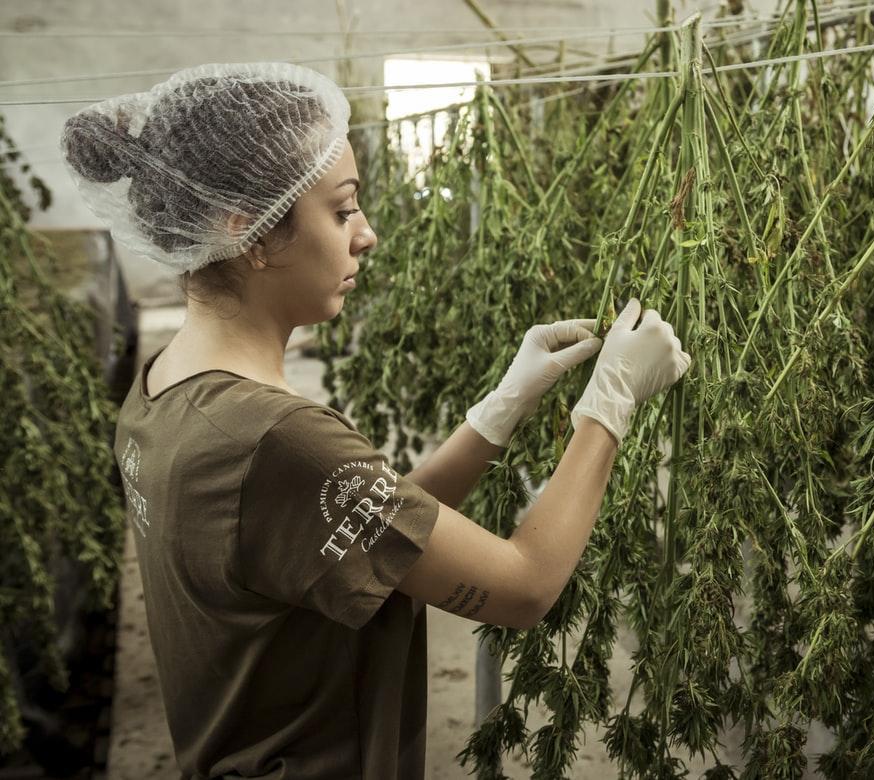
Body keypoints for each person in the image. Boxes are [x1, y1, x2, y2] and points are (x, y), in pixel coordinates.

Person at [60, 62, 690, 779]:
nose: (368, 235)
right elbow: (522, 587)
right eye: (342, 210)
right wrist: (608, 406)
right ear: (251, 233)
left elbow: (360, 535)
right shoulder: (276, 441)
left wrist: (495, 415)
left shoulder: (162, 390)